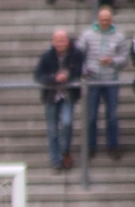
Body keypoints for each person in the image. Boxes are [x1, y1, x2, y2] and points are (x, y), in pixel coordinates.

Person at [77, 5, 128, 160]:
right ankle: (90, 145)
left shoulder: (119, 37)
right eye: (102, 19)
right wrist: (85, 70)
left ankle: (113, 145)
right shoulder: (87, 35)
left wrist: (112, 61)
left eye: (107, 19)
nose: (104, 22)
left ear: (111, 20)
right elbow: (78, 55)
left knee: (112, 115)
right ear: (97, 19)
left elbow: (124, 58)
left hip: (111, 81)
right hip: (92, 82)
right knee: (91, 116)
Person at [34, 29, 85, 171]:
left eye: (62, 40)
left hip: (68, 95)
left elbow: (80, 70)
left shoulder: (76, 54)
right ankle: (55, 160)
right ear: (53, 42)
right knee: (52, 129)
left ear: (67, 41)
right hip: (51, 96)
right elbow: (38, 75)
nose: (59, 44)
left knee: (67, 122)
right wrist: (54, 78)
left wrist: (68, 75)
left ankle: (65, 150)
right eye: (57, 41)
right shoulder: (47, 56)